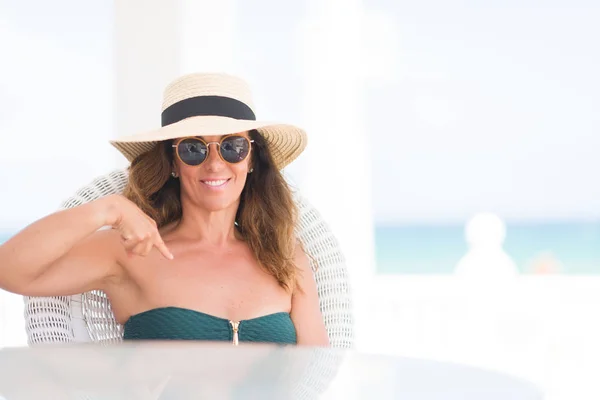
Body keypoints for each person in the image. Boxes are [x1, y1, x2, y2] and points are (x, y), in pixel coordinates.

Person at [0, 72, 329, 346]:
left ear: (252, 158)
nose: (215, 164)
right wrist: (108, 210)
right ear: (172, 162)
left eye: (232, 146)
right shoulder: (131, 251)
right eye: (193, 148)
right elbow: (9, 269)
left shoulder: (284, 255)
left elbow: (319, 372)